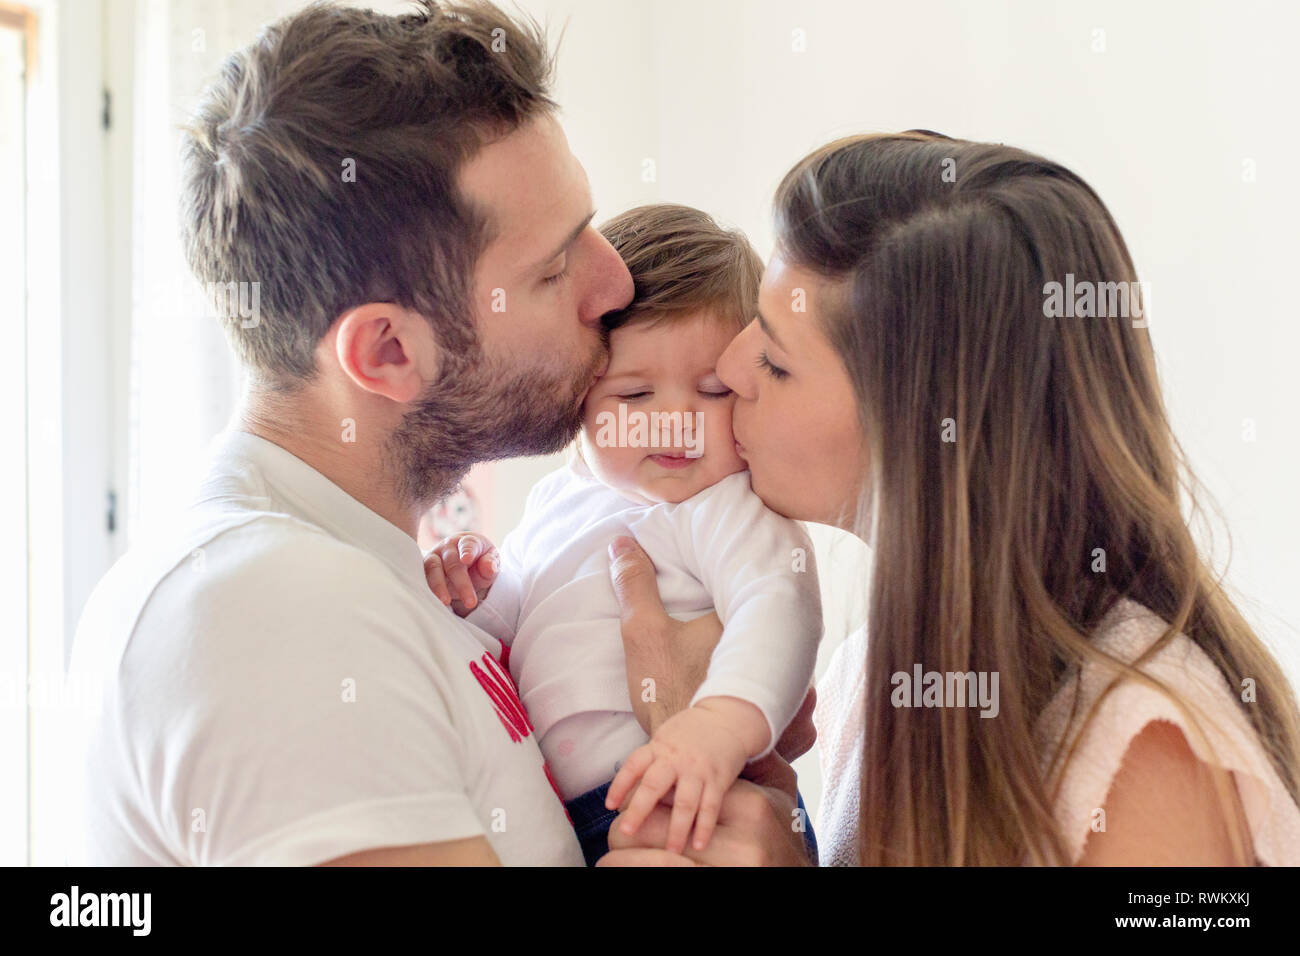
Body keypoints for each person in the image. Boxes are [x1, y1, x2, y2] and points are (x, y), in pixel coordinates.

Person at [597, 131, 1300, 866]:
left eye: (775, 360)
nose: (731, 366)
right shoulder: (871, 676)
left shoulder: (1143, 752)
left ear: (920, 431)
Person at [69, 0, 654, 866]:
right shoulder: (270, 608)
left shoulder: (388, 588)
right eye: (554, 265)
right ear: (386, 352)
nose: (616, 282)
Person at [425, 205, 823, 865]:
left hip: (698, 787)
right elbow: (514, 621)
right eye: (634, 396)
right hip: (566, 808)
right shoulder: (562, 499)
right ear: (579, 398)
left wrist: (720, 725)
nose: (672, 421)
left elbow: (780, 605)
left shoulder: (727, 507)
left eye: (713, 389)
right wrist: (470, 589)